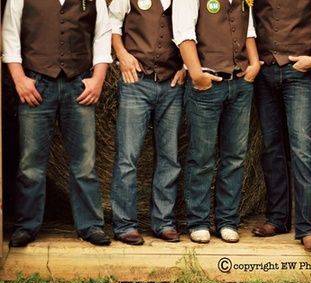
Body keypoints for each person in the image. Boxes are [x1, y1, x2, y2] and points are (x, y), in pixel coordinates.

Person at [2, 0, 112, 246]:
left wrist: (98, 80)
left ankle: (90, 225)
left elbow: (102, 36)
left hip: (79, 83)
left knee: (85, 162)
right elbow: (10, 35)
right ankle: (26, 225)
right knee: (31, 162)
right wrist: (20, 79)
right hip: (37, 82)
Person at [250, 1, 311, 252]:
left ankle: (308, 228)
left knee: (302, 148)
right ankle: (277, 219)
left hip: (299, 72)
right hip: (265, 72)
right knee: (271, 148)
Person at [172, 0, 260, 243]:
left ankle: (228, 219)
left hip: (240, 84)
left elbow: (249, 29)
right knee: (201, 157)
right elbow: (183, 34)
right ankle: (198, 221)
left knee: (235, 156)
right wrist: (197, 74)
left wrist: (253, 64)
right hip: (207, 86)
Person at [108, 0, 185, 245]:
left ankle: (164, 222)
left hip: (171, 83)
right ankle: (125, 225)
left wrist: (185, 66)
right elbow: (112, 24)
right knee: (128, 156)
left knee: (169, 157)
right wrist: (122, 55)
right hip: (136, 83)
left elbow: (193, 30)